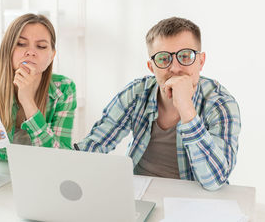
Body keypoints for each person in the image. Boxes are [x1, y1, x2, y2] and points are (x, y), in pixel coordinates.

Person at [77, 17, 241, 191]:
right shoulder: (137, 93)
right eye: (163, 59)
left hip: (197, 200)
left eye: (185, 56)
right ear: (151, 67)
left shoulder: (221, 104)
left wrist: (186, 109)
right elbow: (94, 146)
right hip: (141, 195)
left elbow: (215, 181)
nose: (175, 68)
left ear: (201, 61)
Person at [0, 13, 77, 177]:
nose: (31, 52)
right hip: (1, 181)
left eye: (41, 46)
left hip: (43, 179)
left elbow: (60, 162)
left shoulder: (64, 90)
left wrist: (27, 101)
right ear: (8, 49)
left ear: (52, 55)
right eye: (21, 44)